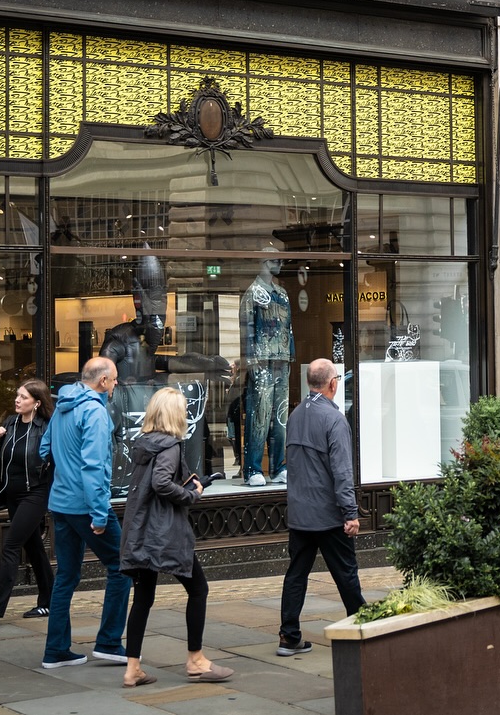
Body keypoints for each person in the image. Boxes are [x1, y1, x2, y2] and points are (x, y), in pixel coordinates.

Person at [119, 387, 232, 689]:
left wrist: (192, 481)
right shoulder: (170, 446)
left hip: (141, 532)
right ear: (174, 414)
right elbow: (161, 484)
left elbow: (154, 481)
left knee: (143, 598)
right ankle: (195, 660)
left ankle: (132, 669)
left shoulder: (146, 445)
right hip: (163, 532)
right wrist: (190, 494)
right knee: (199, 589)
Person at [39, 357, 132, 669]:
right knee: (122, 567)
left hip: (60, 503)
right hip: (86, 504)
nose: (116, 384)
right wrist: (99, 513)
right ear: (103, 381)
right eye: (115, 379)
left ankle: (56, 651)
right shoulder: (94, 411)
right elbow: (93, 465)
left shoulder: (63, 403)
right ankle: (108, 642)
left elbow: (44, 448)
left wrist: (64, 467)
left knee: (65, 575)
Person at [278, 359, 363, 655]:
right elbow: (341, 471)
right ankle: (363, 627)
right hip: (328, 515)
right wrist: (350, 513)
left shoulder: (296, 414)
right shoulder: (334, 420)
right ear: (332, 383)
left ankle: (289, 636)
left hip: (300, 513)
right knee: (346, 574)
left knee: (296, 575)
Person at [0, 379, 54, 624]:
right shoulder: (11, 424)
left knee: (11, 546)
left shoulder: (47, 428)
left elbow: (56, 461)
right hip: (12, 495)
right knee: (33, 548)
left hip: (35, 494)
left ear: (37, 403)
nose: (17, 400)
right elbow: (0, 459)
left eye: (24, 397)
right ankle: (50, 602)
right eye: (17, 395)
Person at [242, 250, 294, 487]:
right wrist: (250, 362)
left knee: (280, 416)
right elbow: (247, 330)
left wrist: (290, 357)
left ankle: (278, 466)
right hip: (261, 361)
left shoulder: (282, 294)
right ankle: (252, 468)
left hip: (281, 361)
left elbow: (289, 329)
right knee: (259, 416)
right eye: (275, 260)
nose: (280, 264)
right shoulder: (252, 294)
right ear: (263, 262)